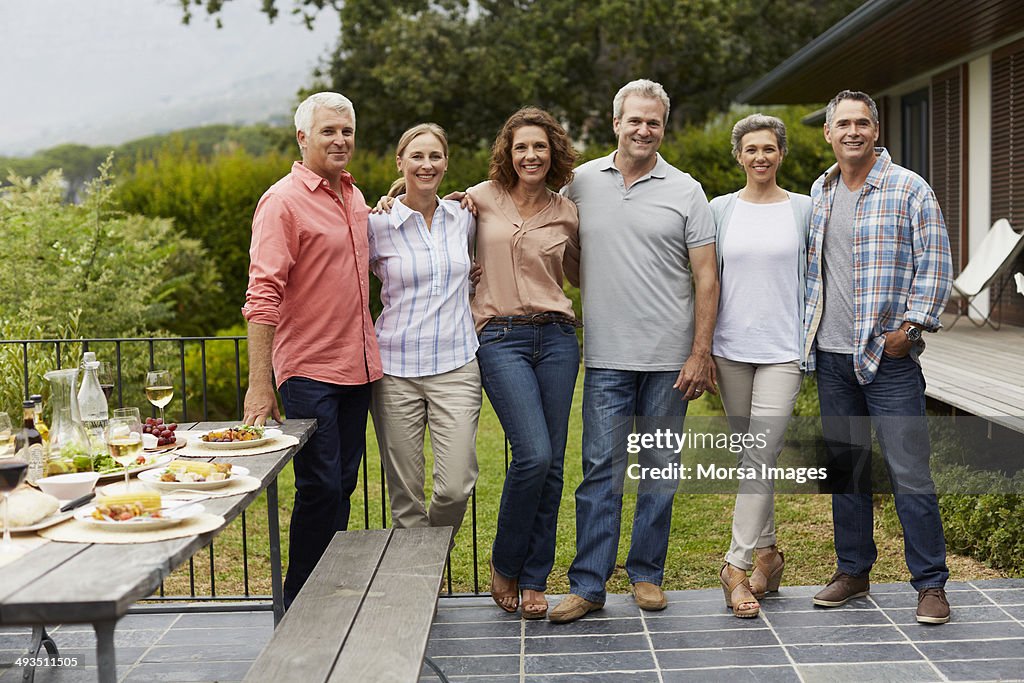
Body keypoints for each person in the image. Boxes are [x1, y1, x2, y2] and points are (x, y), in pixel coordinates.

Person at [550, 79, 720, 624]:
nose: (643, 130)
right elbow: (531, 216)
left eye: (654, 122)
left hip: (671, 362)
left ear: (662, 128)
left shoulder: (687, 190)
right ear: (615, 121)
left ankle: (647, 574)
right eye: (635, 120)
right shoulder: (580, 183)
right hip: (605, 356)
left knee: (660, 469)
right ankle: (588, 584)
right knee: (600, 469)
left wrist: (700, 352)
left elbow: (707, 278)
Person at [805, 90, 953, 624]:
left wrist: (908, 331)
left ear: (876, 129)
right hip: (832, 359)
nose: (852, 131)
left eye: (861, 122)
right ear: (828, 133)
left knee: (910, 472)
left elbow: (936, 265)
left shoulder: (909, 189)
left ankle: (931, 583)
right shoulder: (820, 193)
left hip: (889, 360)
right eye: (842, 123)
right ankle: (853, 570)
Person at [242, 91, 381, 608]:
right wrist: (261, 383)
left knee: (342, 483)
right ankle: (300, 600)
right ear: (303, 138)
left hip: (360, 367)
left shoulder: (356, 197)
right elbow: (262, 293)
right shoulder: (282, 202)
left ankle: (328, 589)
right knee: (320, 484)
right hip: (309, 370)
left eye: (346, 130)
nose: (340, 139)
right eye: (329, 131)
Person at [469, 107, 581, 620]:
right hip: (501, 338)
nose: (530, 155)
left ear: (553, 152)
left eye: (539, 146)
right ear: (507, 154)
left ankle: (535, 577)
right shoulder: (478, 200)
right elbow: (425, 207)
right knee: (532, 454)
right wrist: (396, 197)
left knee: (553, 465)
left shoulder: (567, 212)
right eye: (521, 147)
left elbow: (584, 273)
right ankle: (505, 562)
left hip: (557, 339)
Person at [709, 114, 811, 618]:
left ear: (781, 153)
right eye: (751, 149)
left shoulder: (805, 211)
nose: (760, 157)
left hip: (783, 352)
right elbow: (704, 279)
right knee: (752, 456)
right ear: (739, 155)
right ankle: (770, 553)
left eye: (769, 149)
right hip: (730, 350)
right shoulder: (720, 210)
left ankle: (736, 565)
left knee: (759, 453)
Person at [367, 123, 481, 541]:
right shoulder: (376, 224)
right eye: (416, 156)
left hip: (456, 367)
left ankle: (426, 554)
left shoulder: (465, 216)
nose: (426, 164)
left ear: (446, 163)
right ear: (401, 163)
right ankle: (416, 579)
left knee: (455, 486)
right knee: (405, 496)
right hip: (396, 371)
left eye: (435, 156)